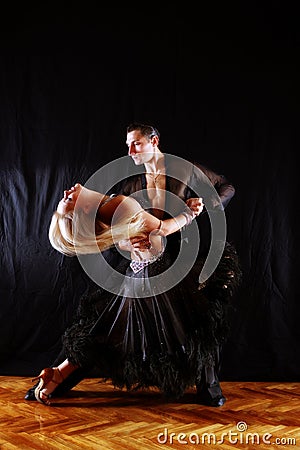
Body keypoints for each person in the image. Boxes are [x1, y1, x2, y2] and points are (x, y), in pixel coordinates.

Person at [25, 122, 241, 406]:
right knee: (110, 323)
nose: (129, 151)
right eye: (127, 145)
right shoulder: (128, 188)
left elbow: (226, 187)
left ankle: (210, 389)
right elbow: (122, 236)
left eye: (135, 143)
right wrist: (132, 242)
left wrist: (207, 206)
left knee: (194, 322)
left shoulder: (185, 170)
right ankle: (60, 379)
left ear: (154, 141)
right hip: (151, 266)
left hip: (181, 258)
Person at [31, 182, 204, 405]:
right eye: (69, 201)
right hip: (150, 276)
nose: (66, 192)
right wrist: (190, 213)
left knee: (107, 328)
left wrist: (130, 242)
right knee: (117, 331)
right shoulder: (117, 205)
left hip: (140, 273)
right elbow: (163, 228)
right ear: (83, 209)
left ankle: (58, 374)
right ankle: (59, 374)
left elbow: (122, 240)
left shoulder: (105, 207)